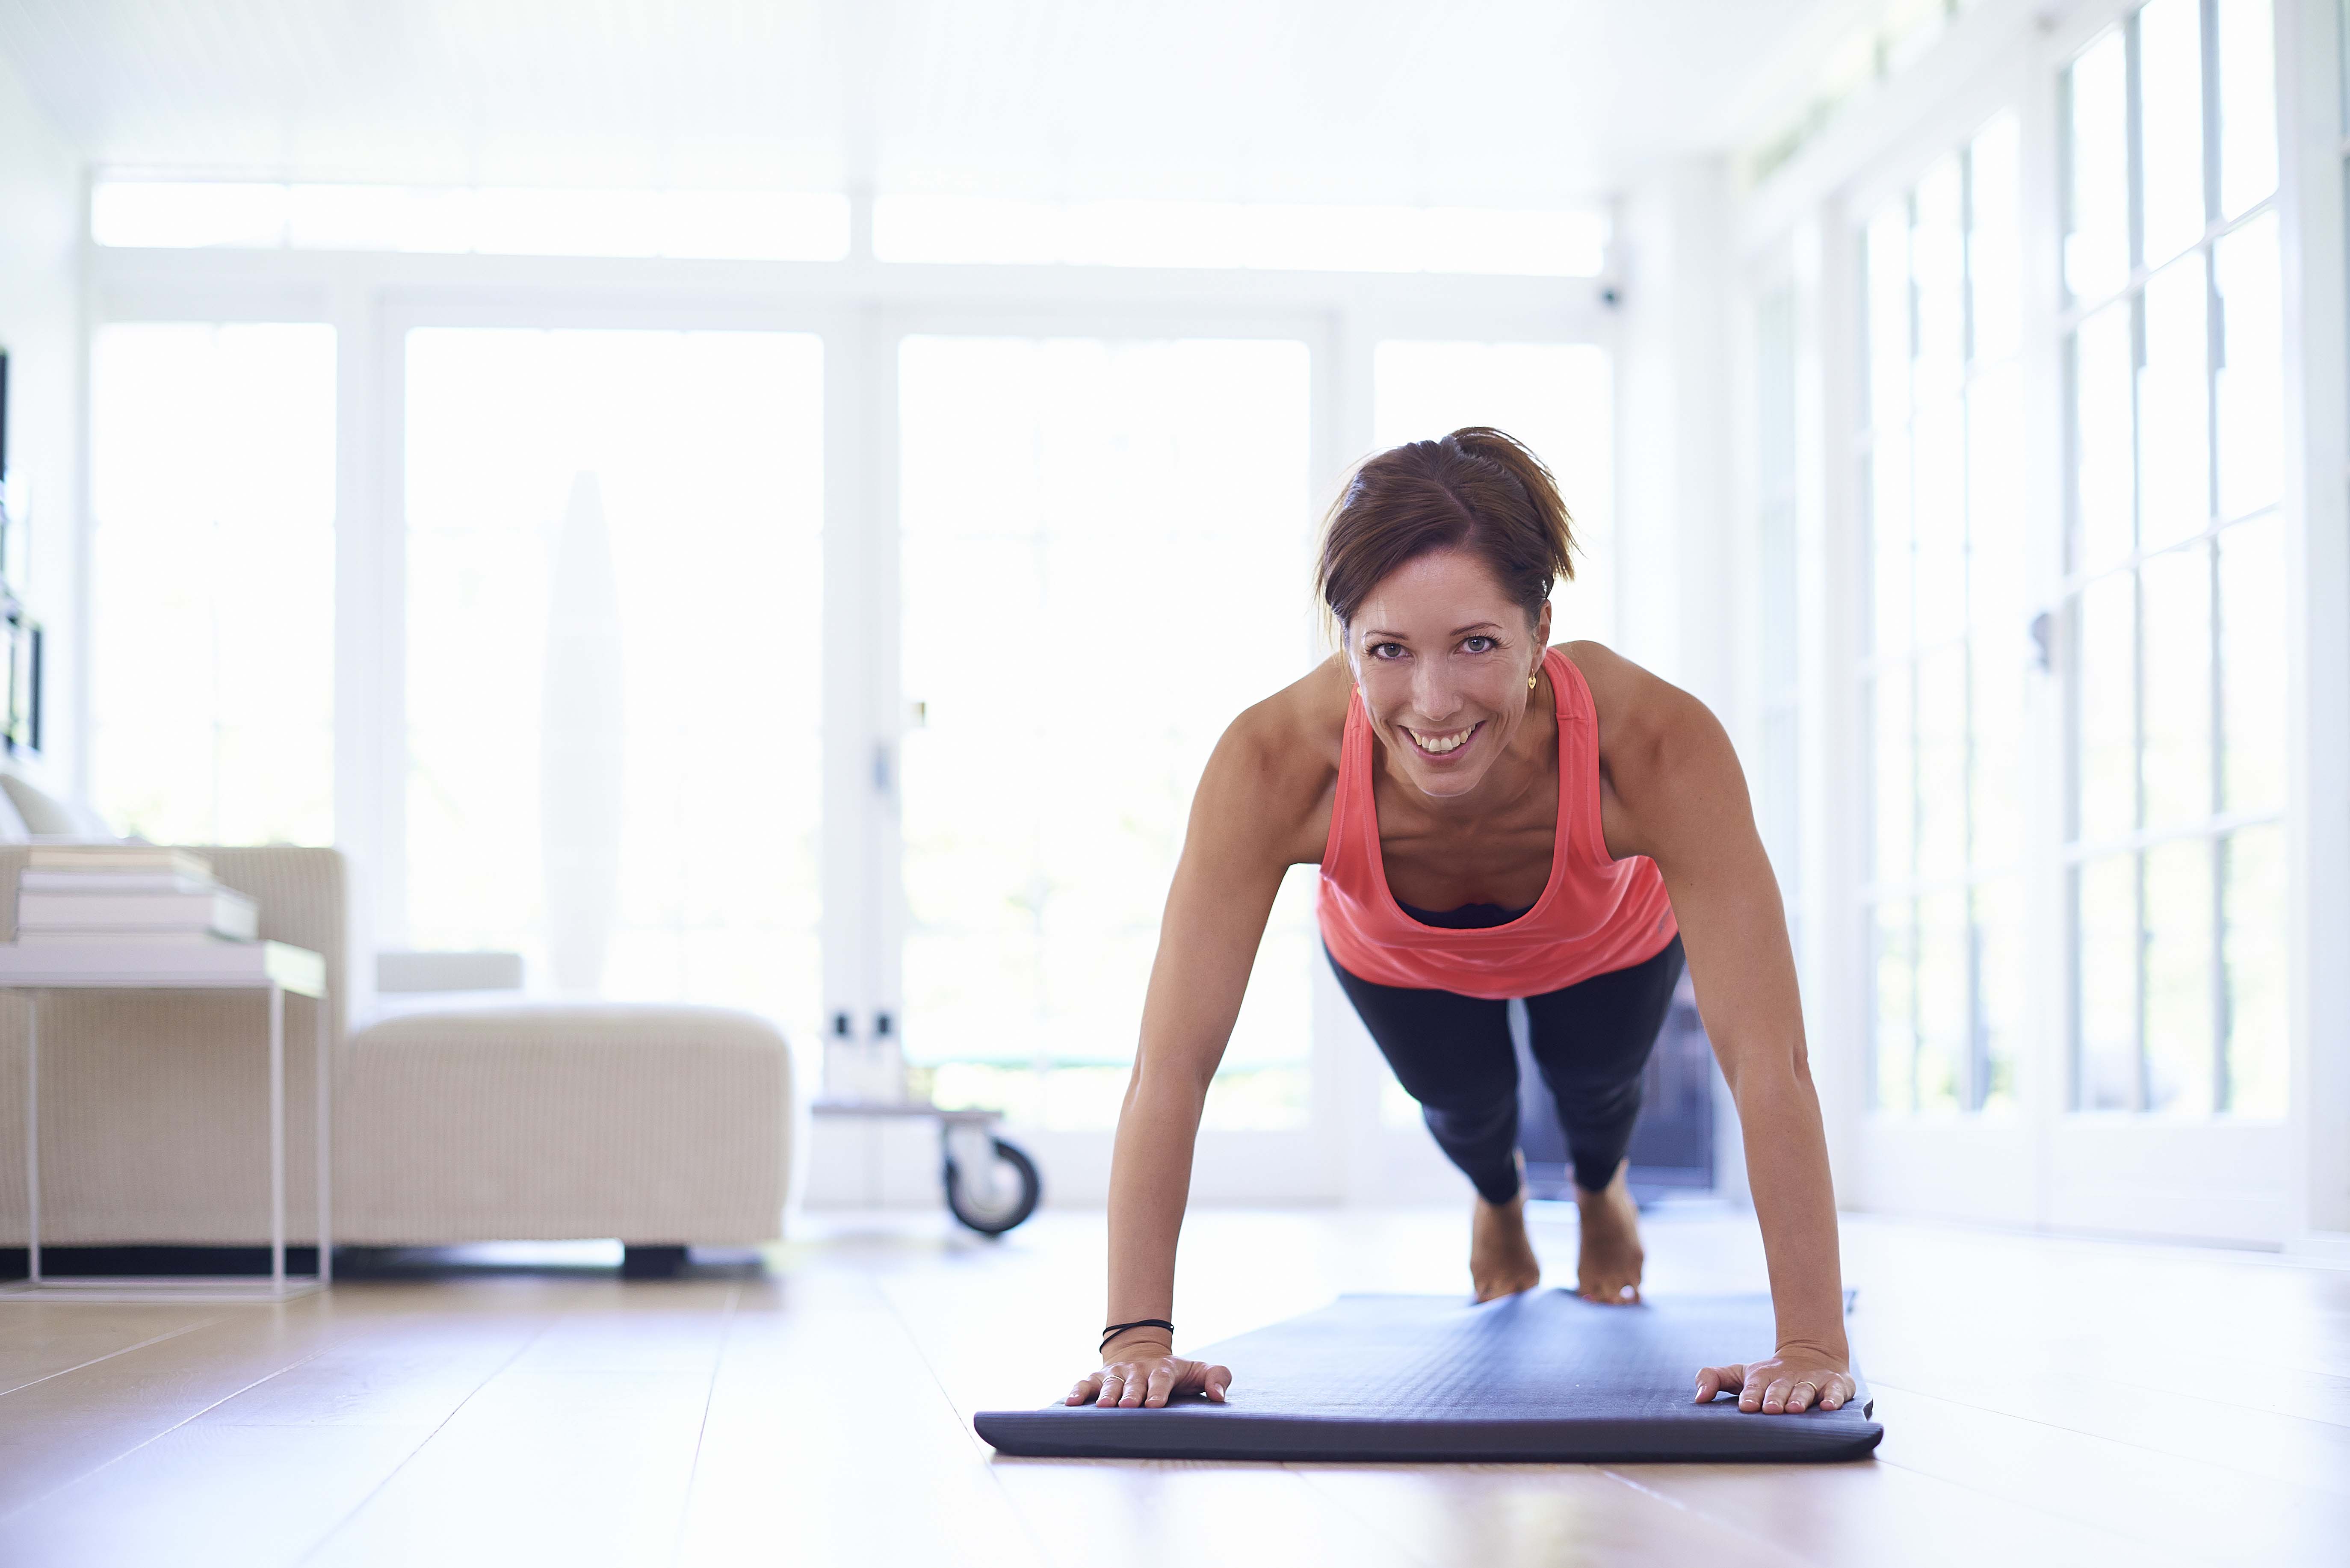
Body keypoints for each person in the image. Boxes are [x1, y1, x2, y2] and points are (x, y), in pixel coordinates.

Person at [1066, 427, 1854, 1419]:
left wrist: (1813, 1343)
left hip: (1604, 939)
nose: (1433, 703)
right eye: (1388, 651)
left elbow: (1769, 1061)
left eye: (1477, 643)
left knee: (1599, 1089)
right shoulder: (1272, 763)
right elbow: (1169, 1065)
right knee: (1466, 1106)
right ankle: (1498, 1195)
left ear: (1539, 631)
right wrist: (1137, 1336)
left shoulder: (1654, 741)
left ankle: (1600, 1188)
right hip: (1400, 955)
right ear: (1346, 645)